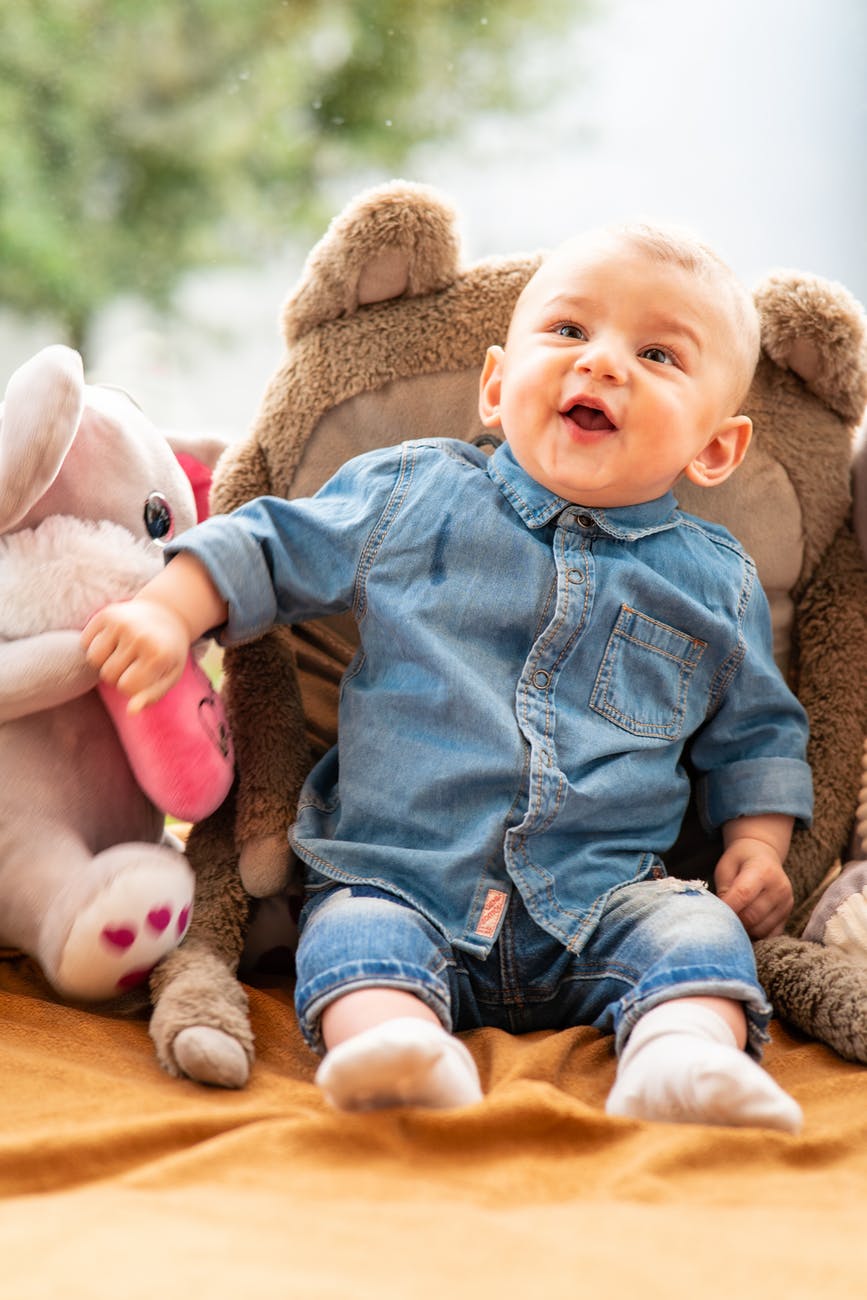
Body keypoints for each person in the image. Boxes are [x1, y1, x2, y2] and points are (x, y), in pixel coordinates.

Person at [82, 221, 813, 1132]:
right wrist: (170, 610)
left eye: (657, 352)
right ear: (498, 386)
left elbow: (758, 733)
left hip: (604, 899)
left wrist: (759, 844)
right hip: (398, 876)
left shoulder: (715, 580)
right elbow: (267, 544)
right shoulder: (412, 495)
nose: (601, 365)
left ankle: (679, 1058)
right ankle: (394, 1049)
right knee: (349, 936)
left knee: (699, 938)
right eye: (569, 332)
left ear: (714, 449)